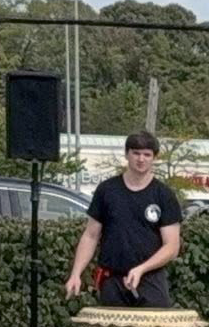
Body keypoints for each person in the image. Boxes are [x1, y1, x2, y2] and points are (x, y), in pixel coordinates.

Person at [65, 131, 182, 307]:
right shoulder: (107, 190)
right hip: (112, 281)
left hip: (150, 280)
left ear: (154, 158)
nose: (141, 159)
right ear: (127, 154)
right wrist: (76, 273)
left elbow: (172, 247)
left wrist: (142, 269)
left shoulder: (164, 195)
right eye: (136, 153)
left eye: (147, 155)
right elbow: (90, 236)